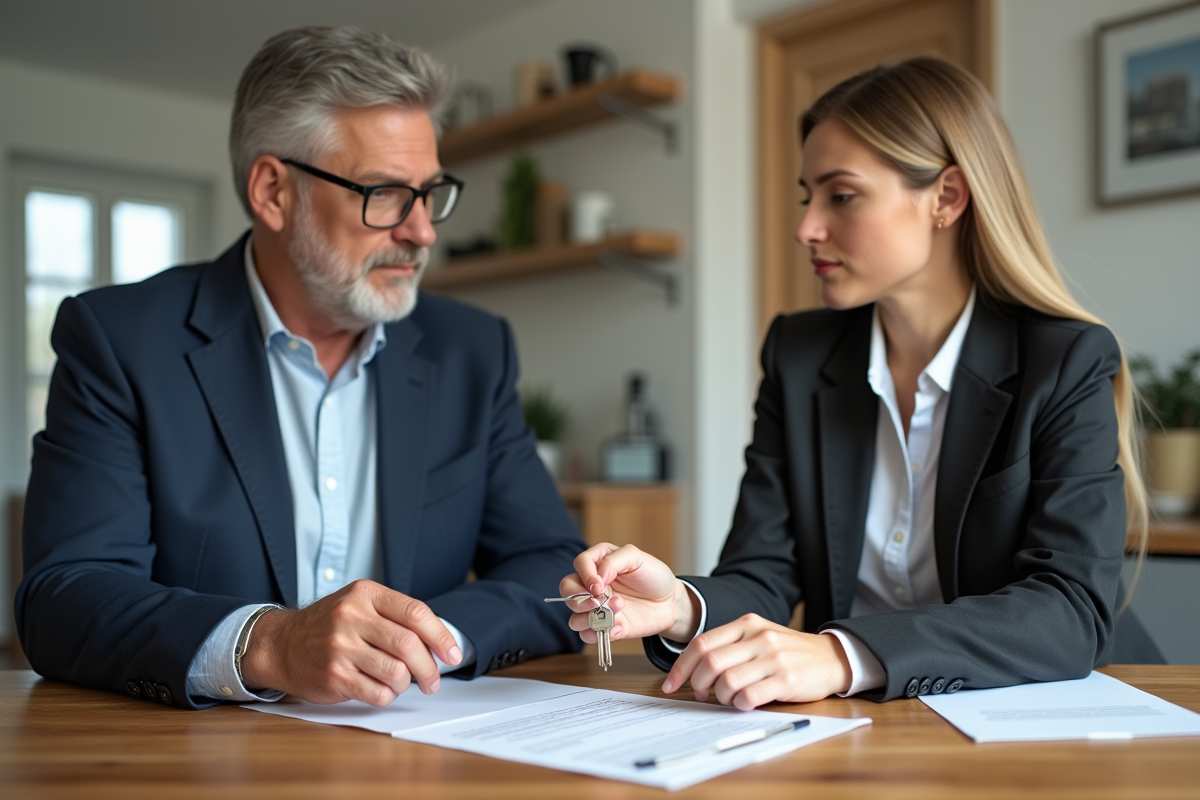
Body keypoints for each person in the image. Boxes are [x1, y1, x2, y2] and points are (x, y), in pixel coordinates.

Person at [16, 26, 585, 710]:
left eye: (430, 192)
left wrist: (420, 641)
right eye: (385, 194)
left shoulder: (472, 351)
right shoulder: (119, 340)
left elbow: (552, 569)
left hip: (417, 742)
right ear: (273, 192)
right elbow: (64, 597)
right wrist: (272, 645)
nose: (423, 231)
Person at [558, 56, 1149, 706]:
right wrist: (679, 606)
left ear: (947, 198)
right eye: (807, 196)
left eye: (841, 196)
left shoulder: (1063, 360)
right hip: (856, 731)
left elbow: (1070, 610)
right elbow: (763, 572)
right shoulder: (799, 354)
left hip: (1036, 723)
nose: (806, 228)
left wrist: (845, 655)